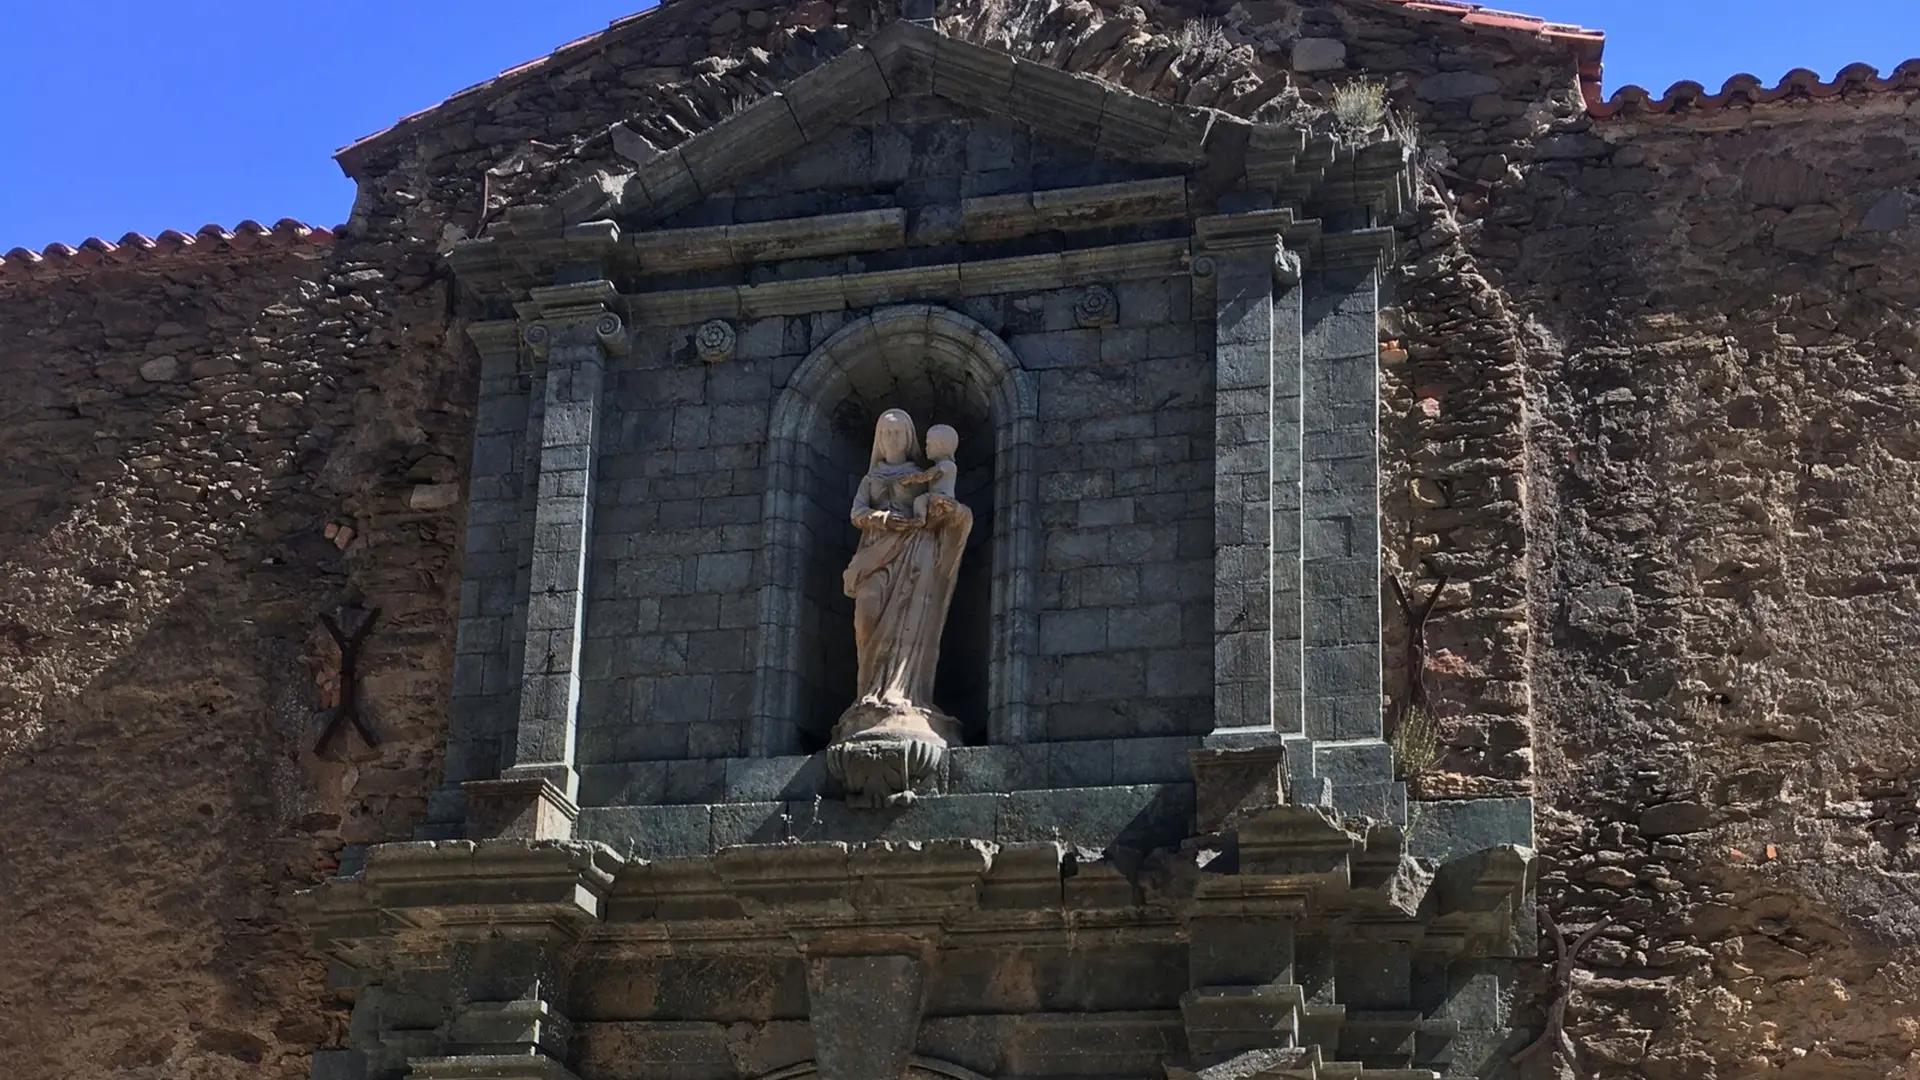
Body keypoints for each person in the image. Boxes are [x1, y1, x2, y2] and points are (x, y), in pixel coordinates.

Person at [907, 423, 959, 524]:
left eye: (929, 444)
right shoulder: (940, 465)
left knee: (923, 500)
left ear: (941, 446)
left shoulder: (948, 465)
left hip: (944, 497)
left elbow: (929, 475)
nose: (926, 448)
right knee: (919, 500)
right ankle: (920, 519)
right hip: (932, 496)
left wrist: (915, 478)